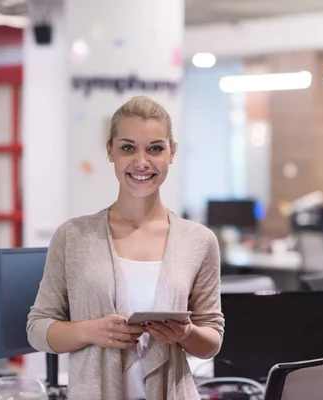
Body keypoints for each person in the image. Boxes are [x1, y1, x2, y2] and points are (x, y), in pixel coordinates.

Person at [27, 96, 224, 400]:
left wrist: (186, 334)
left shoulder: (199, 241)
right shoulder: (73, 236)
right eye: (128, 148)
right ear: (110, 151)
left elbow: (211, 341)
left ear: (172, 152)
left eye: (155, 148)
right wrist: (91, 331)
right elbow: (38, 329)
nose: (142, 162)